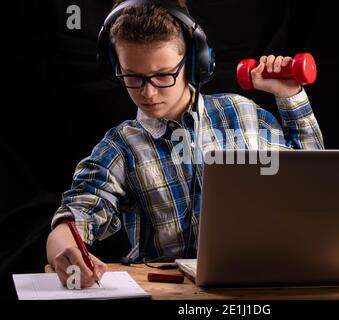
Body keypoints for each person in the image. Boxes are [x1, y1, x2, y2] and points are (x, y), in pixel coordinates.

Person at [46, 0, 324, 288]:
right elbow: (79, 211)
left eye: (163, 74)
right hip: (170, 291)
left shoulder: (244, 114)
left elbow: (313, 185)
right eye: (132, 77)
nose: (149, 92)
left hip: (263, 284)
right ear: (115, 66)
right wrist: (64, 247)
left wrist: (290, 96)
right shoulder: (120, 147)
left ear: (195, 62)